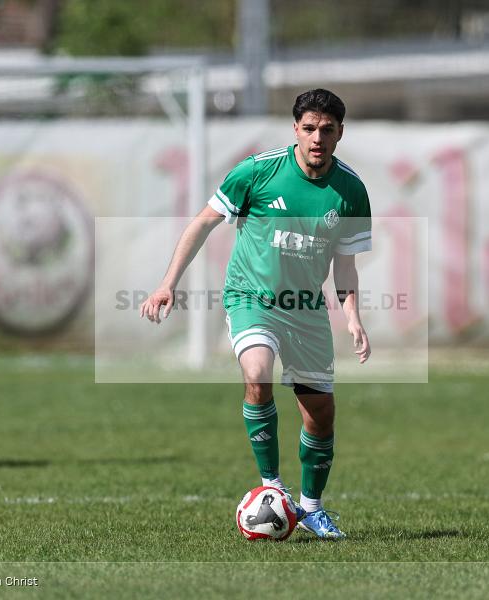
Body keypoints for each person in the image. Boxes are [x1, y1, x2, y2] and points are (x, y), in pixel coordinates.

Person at [140, 89, 371, 539]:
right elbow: (202, 223)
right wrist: (168, 283)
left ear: (340, 132)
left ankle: (311, 508)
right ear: (296, 130)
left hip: (305, 311)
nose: (317, 138)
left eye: (327, 130)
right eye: (309, 129)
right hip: (251, 299)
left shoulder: (351, 191)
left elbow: (345, 264)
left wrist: (353, 316)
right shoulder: (258, 171)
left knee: (319, 414)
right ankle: (272, 487)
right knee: (258, 374)